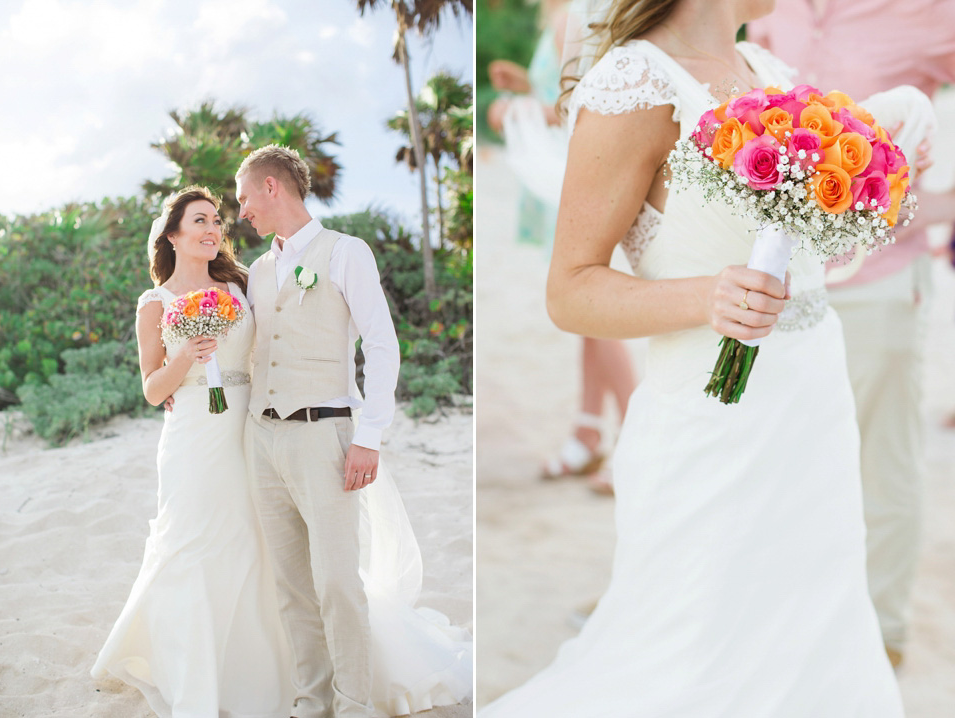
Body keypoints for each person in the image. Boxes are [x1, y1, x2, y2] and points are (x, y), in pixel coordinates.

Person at [479, 0, 906, 714]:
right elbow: (570, 289)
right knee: (698, 642)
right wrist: (708, 297)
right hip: (714, 424)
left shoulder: (763, 68)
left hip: (810, 412)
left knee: (810, 623)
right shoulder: (636, 84)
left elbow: (801, 251)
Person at [746, 1, 955, 668]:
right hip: (775, 287)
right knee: (776, 466)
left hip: (881, 286)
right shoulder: (765, 7)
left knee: (881, 466)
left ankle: (880, 637)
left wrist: (916, 212)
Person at [237, 144, 471, 718]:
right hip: (261, 438)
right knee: (291, 585)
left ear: (273, 188)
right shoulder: (258, 272)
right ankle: (310, 702)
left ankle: (353, 704)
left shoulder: (347, 252)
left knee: (337, 581)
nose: (241, 211)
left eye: (244, 197)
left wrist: (370, 435)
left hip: (326, 434)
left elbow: (382, 345)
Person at [91, 186, 295, 717]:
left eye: (217, 223)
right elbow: (153, 389)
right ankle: (195, 674)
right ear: (173, 234)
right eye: (200, 220)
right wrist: (184, 356)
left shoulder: (243, 283)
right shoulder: (153, 304)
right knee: (193, 542)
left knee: (254, 538)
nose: (213, 230)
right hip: (191, 436)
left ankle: (266, 668)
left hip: (248, 423)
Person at [488, 0, 638, 494]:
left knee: (593, 311)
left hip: (572, 181)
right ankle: (588, 429)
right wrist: (528, 89)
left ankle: (636, 438)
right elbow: (565, 93)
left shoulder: (573, 14)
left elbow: (590, 106)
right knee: (587, 321)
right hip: (564, 176)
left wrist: (515, 110)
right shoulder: (564, 14)